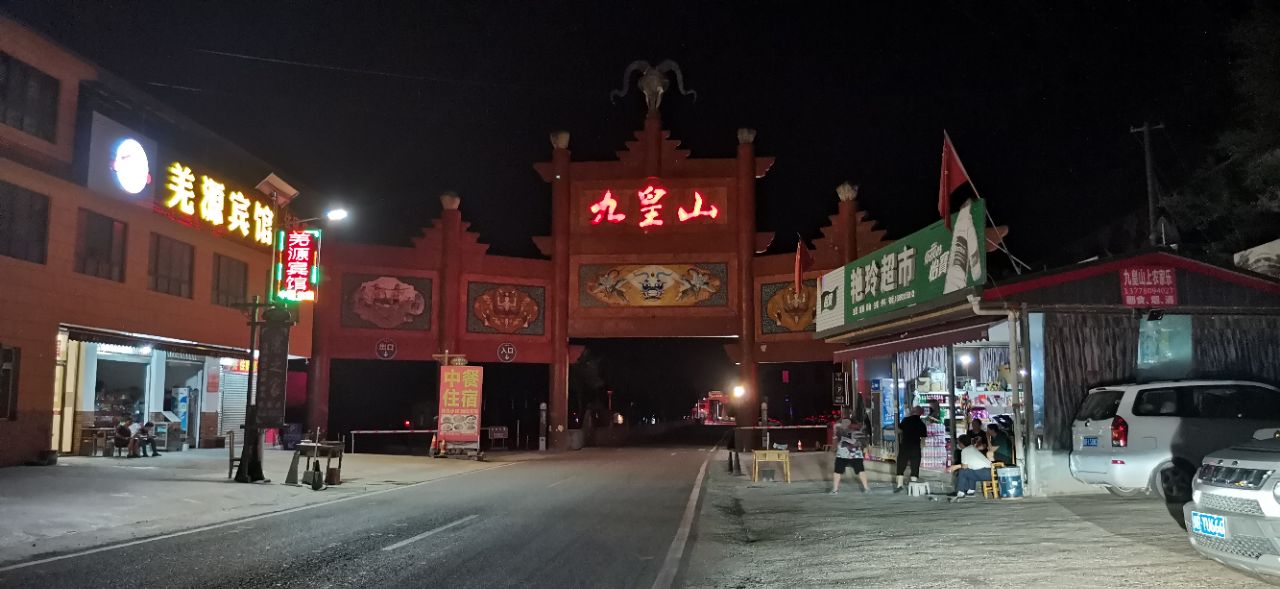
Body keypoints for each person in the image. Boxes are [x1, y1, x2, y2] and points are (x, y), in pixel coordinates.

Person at [949, 434, 995, 499]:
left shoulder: (965, 450)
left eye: (958, 443)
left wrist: (955, 466)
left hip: (985, 473)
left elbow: (964, 467)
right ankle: (970, 490)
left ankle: (960, 492)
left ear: (961, 443)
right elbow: (968, 466)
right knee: (970, 470)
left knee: (962, 471)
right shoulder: (972, 448)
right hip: (991, 472)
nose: (958, 444)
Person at [831, 418, 869, 494]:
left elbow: (835, 441)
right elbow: (863, 442)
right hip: (855, 454)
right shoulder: (858, 430)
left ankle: (835, 490)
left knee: (837, 471)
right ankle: (866, 488)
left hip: (842, 454)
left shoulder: (839, 430)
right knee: (860, 470)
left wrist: (834, 448)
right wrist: (866, 452)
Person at [894, 407, 928, 493]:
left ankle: (899, 485)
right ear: (921, 413)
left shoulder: (906, 420)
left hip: (905, 446)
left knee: (901, 464)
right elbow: (923, 439)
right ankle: (913, 486)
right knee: (915, 466)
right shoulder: (921, 423)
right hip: (915, 447)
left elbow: (898, 430)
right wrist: (921, 448)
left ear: (912, 412)